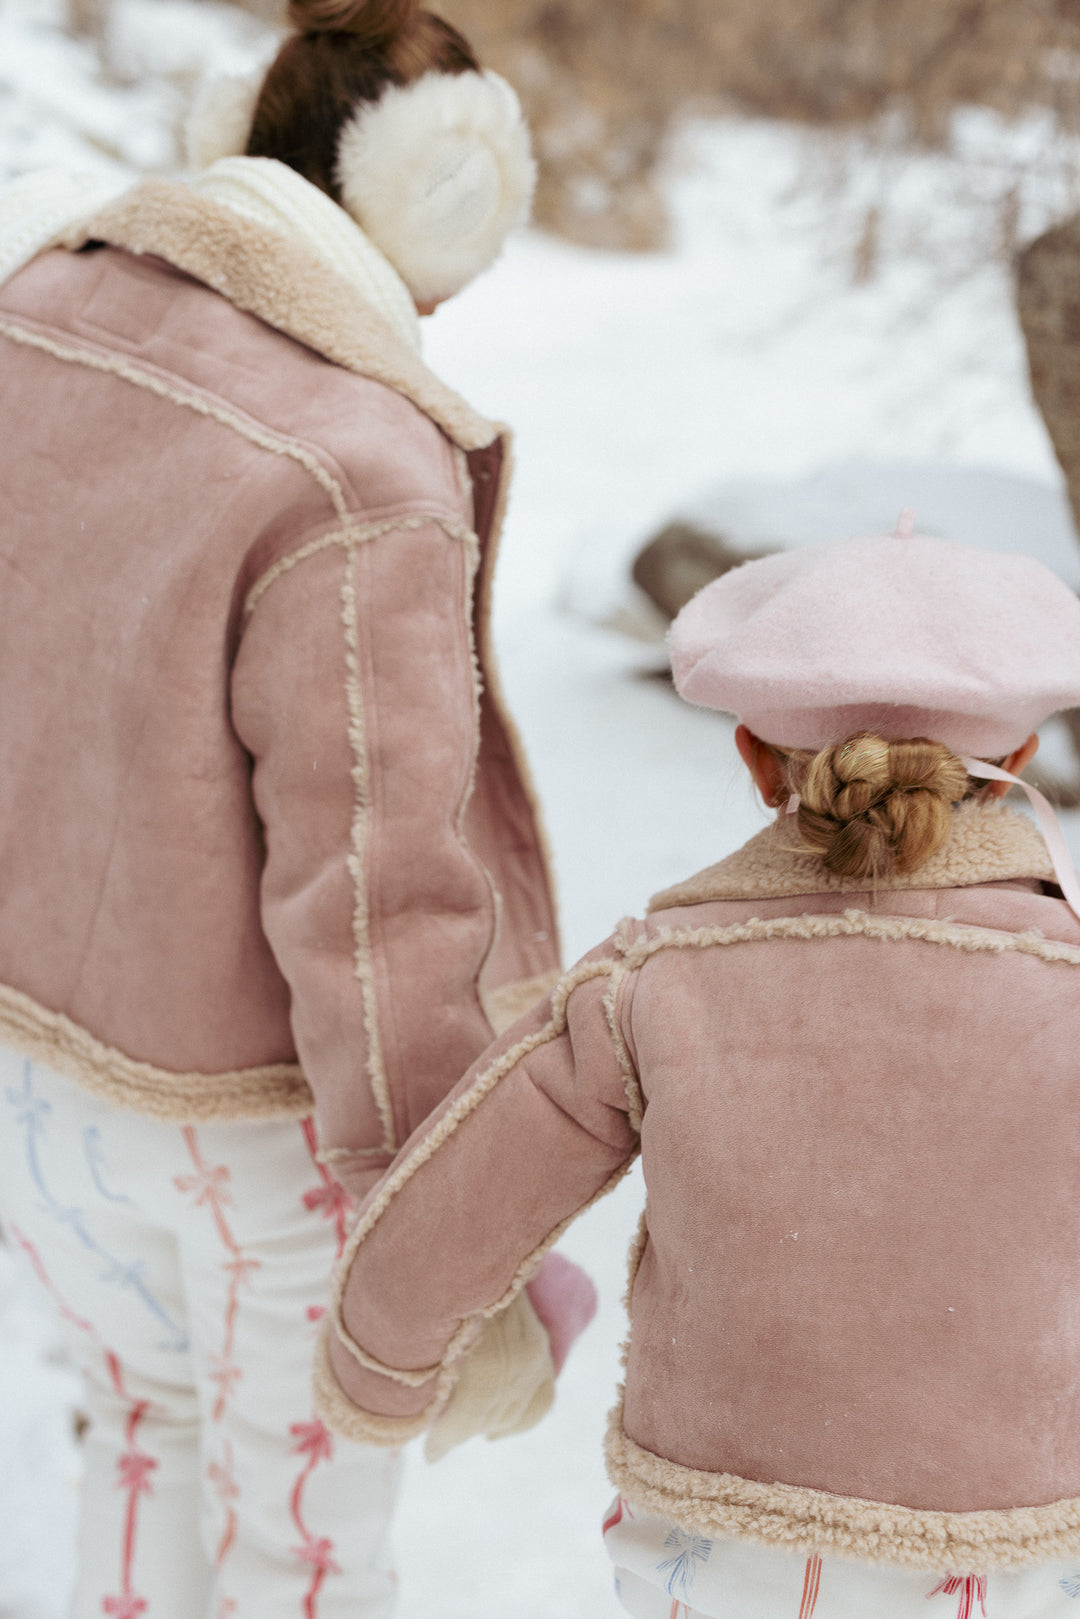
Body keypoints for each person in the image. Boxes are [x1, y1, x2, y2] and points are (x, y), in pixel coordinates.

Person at [0, 2, 595, 1615]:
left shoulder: (37, 305)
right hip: (254, 1126)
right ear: (439, 192)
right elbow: (377, 893)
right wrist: (444, 1223)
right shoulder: (355, 468)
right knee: (304, 1556)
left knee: (136, 1442)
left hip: (35, 1087)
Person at [319, 525, 1080, 1619]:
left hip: (720, 1540)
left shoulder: (657, 979)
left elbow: (462, 1195)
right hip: (1014, 1545)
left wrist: (374, 1370)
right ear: (1017, 764)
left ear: (755, 759)